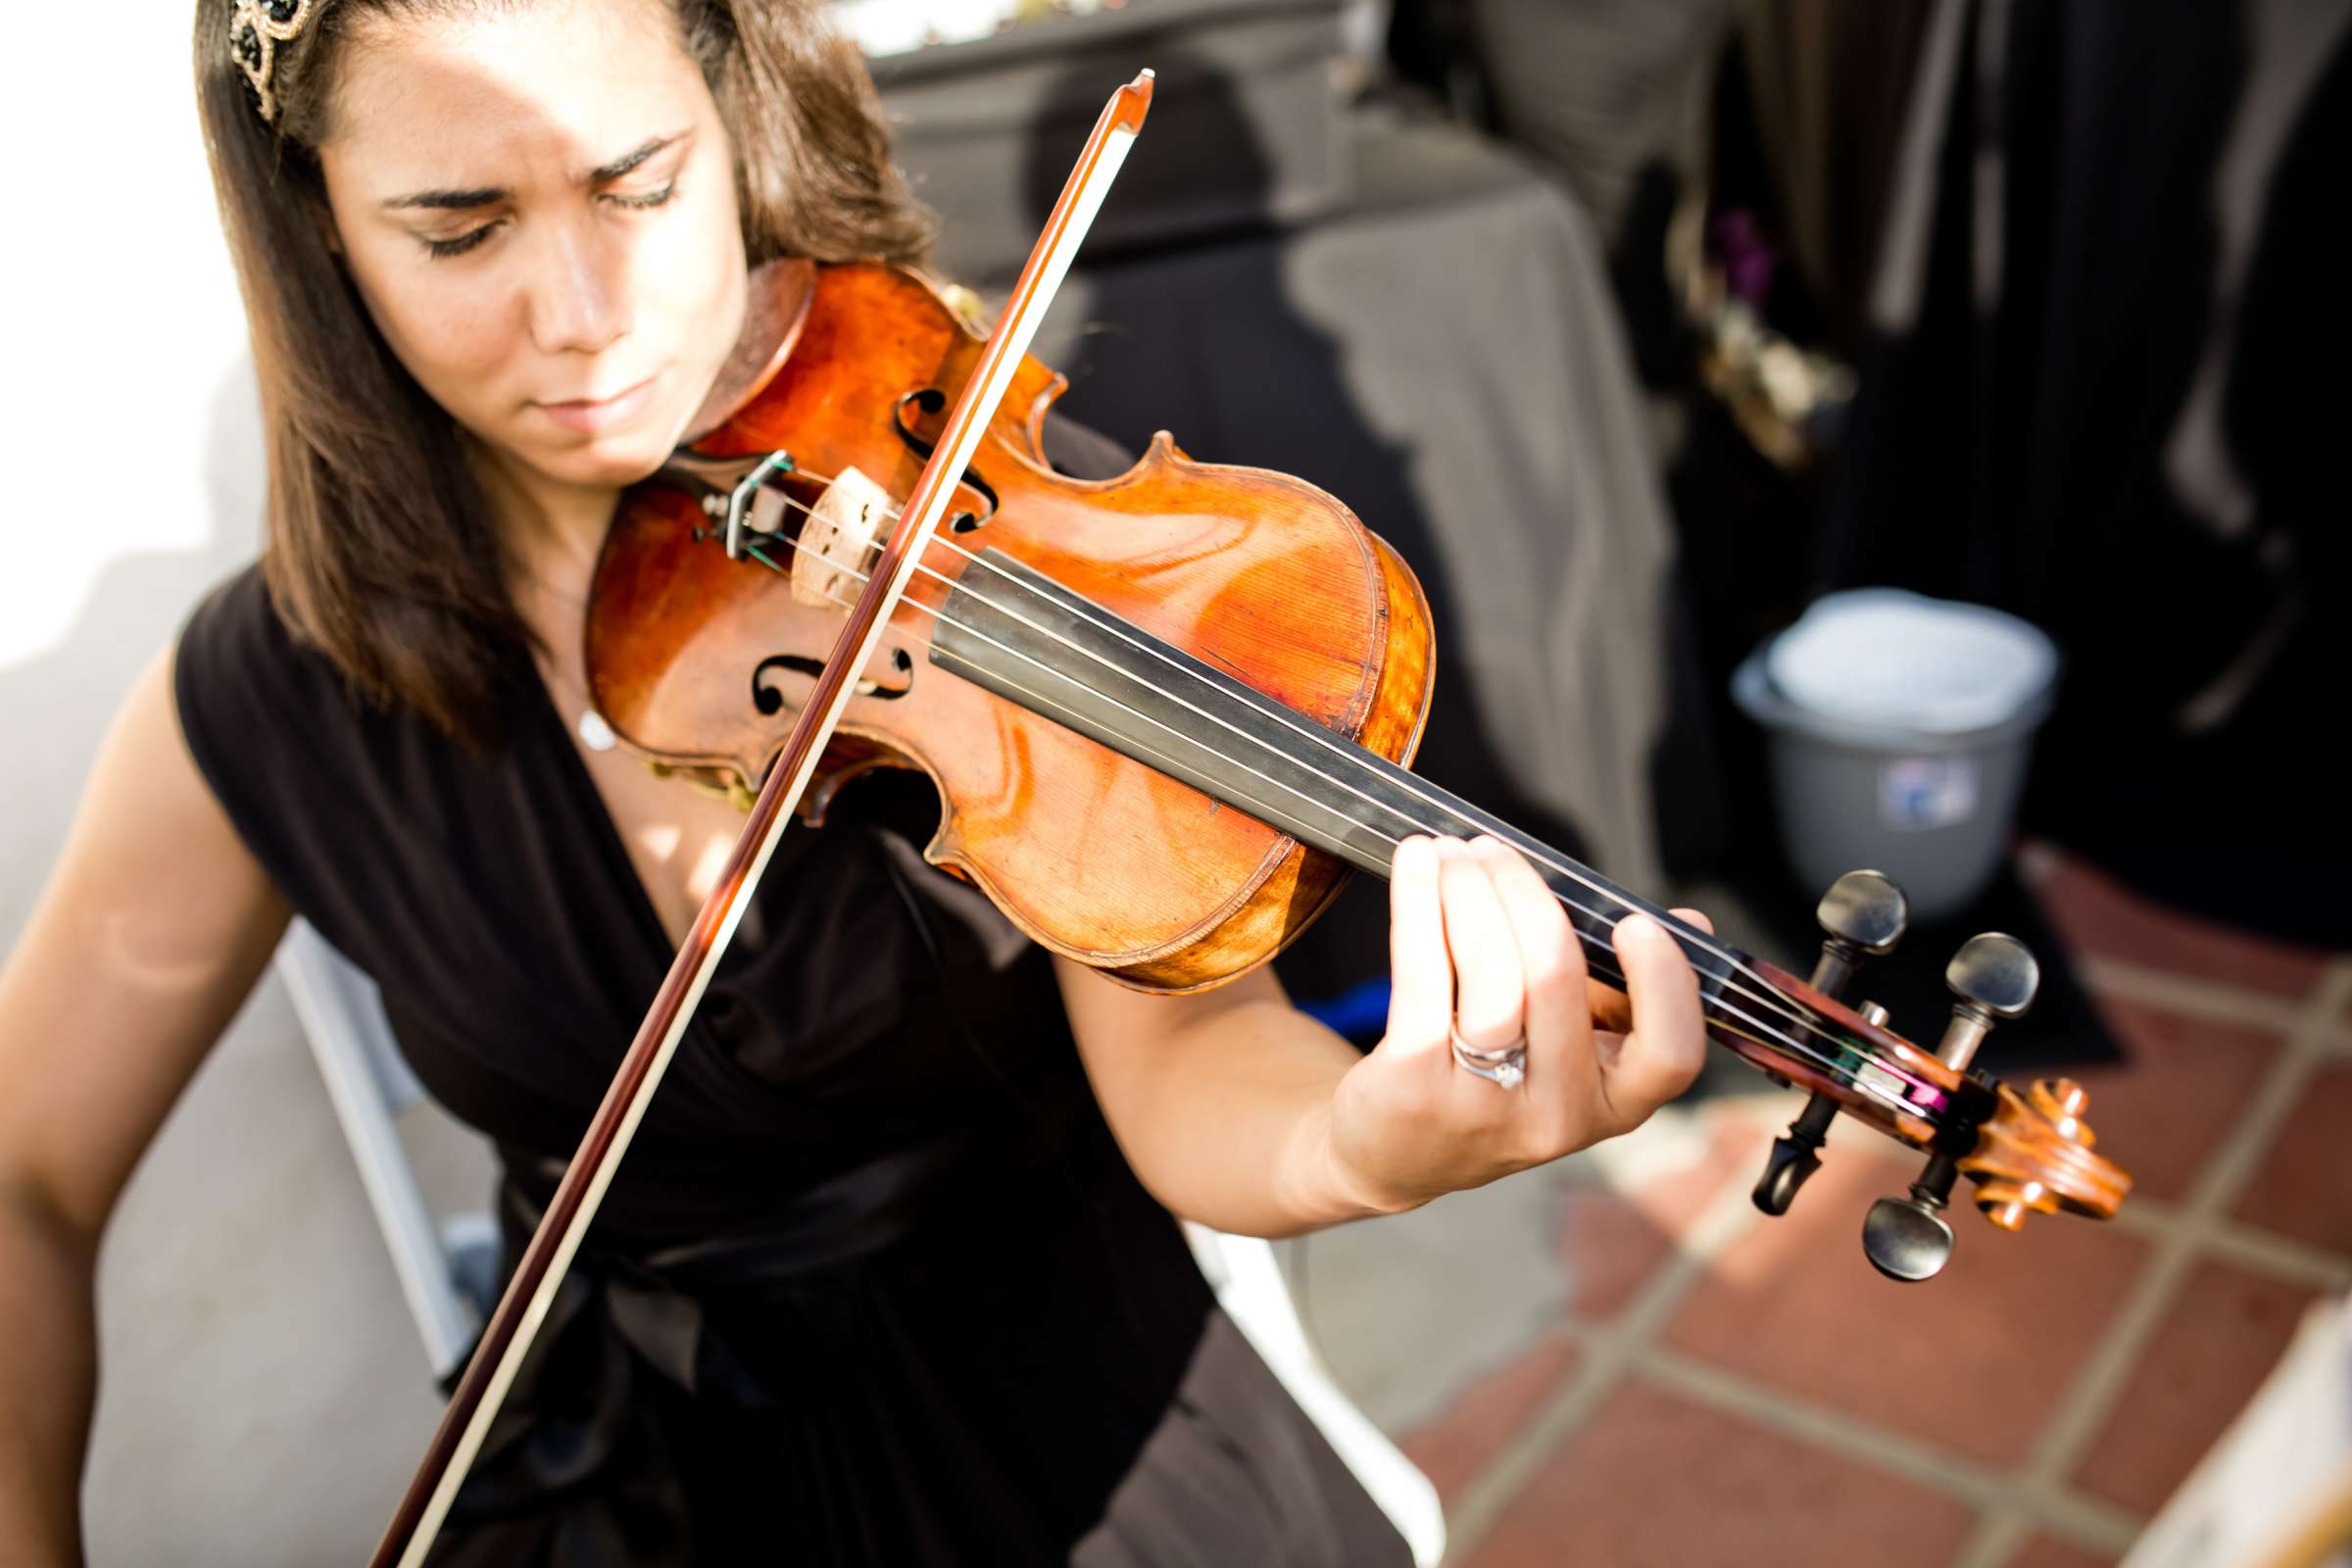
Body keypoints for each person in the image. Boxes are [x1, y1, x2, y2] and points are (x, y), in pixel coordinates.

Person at [0, 0, 1715, 1560]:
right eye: (460, 227)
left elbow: (1189, 1060)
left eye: (638, 184)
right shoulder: (270, 693)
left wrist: (1365, 1141)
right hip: (627, 1488)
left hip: (1072, 1452)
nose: (584, 320)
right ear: (319, 234)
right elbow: (27, 1179)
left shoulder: (989, 506)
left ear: (733, 116)